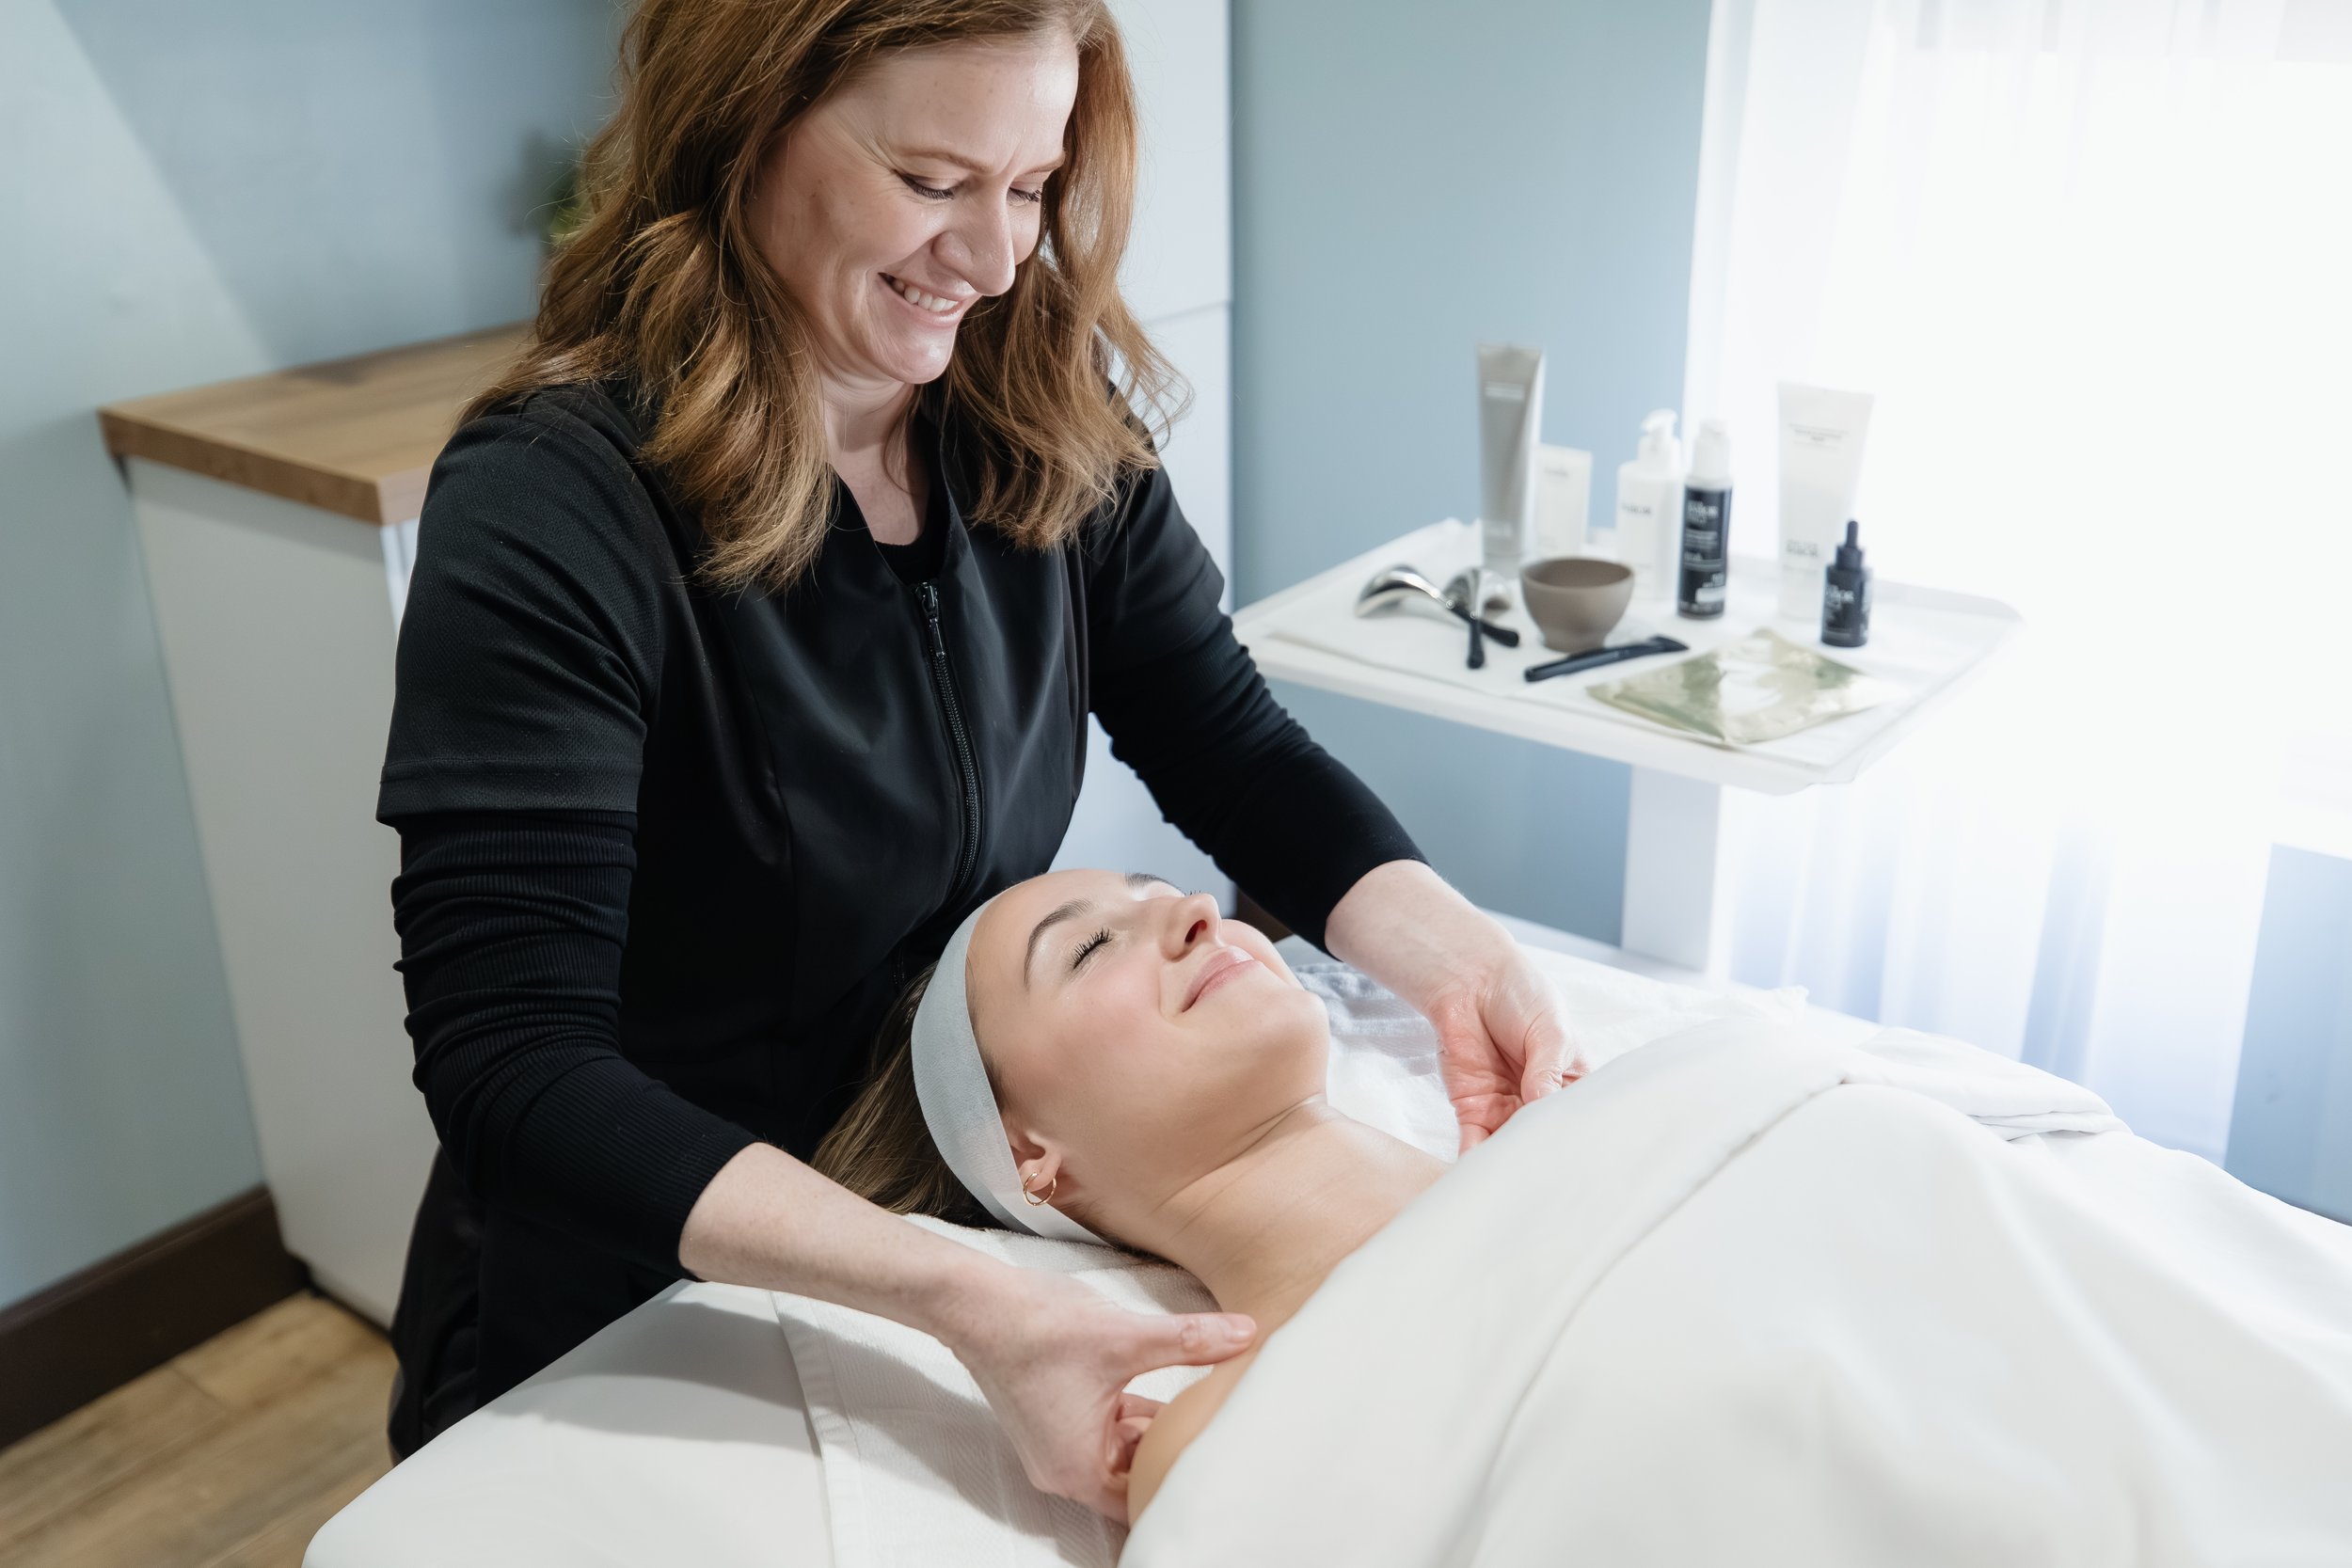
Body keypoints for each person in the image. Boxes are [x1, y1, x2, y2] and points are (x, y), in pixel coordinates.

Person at [376, 0, 1577, 1515]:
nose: (998, 259)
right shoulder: (557, 508)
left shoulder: (1036, 415)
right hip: (639, 1280)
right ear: (746, 129)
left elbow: (1231, 745)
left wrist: (1466, 967)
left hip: (946, 1205)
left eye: (1031, 187)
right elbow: (514, 1063)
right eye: (934, 182)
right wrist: (962, 1301)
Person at [822, 867, 2352, 1539]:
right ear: (1034, 1157)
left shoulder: (1656, 1113)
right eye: (1086, 948)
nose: (1177, 908)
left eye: (1150, 890)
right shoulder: (1221, 1443)